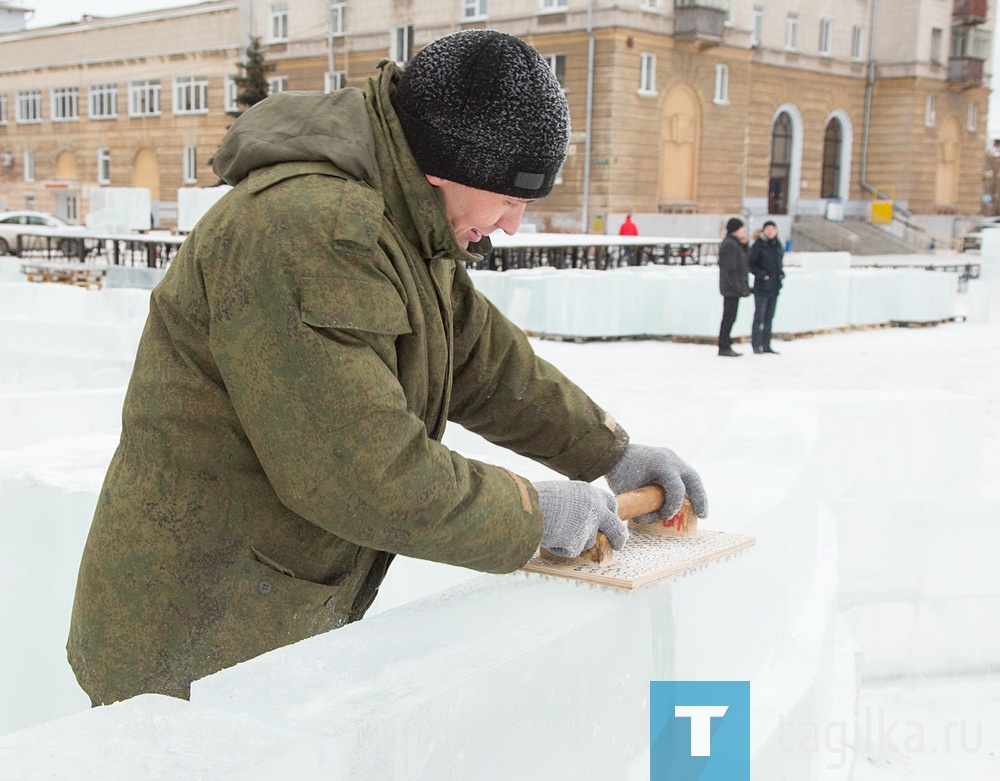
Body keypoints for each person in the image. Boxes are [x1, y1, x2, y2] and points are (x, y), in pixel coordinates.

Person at [67, 30, 708, 705]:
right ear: (447, 165)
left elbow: (483, 363)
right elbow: (361, 470)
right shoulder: (310, 231)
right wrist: (529, 513)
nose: (512, 225)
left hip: (256, 620)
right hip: (192, 638)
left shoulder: (405, 220)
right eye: (510, 200)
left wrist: (609, 449)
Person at [748, 220, 785, 354]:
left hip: (774, 287)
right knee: (759, 317)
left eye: (773, 229)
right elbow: (751, 264)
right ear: (763, 230)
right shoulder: (758, 245)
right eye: (768, 229)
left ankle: (766, 344)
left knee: (769, 318)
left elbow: (778, 263)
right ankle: (756, 345)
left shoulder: (778, 245)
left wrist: (781, 273)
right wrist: (762, 275)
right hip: (762, 287)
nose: (770, 231)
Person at [717, 217, 750, 357]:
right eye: (741, 228)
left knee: (730, 316)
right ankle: (724, 345)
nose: (743, 231)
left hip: (732, 286)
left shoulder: (734, 243)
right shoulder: (730, 244)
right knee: (729, 317)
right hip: (731, 287)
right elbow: (731, 268)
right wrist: (737, 285)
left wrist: (745, 244)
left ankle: (726, 344)